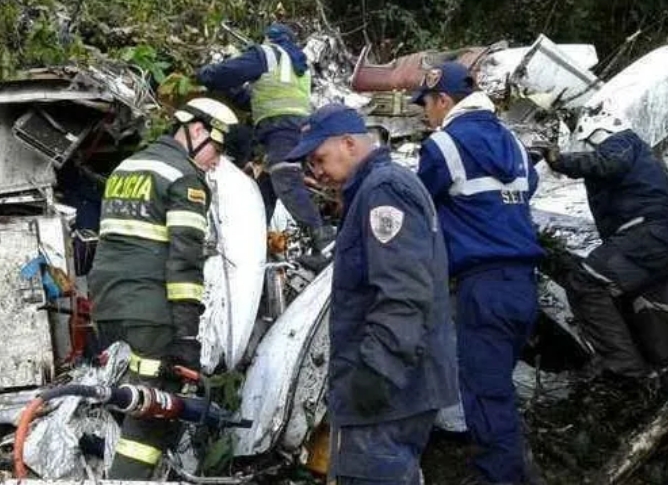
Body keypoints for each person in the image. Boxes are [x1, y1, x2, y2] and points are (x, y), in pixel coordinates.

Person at [285, 104, 458, 484]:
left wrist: (374, 375)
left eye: (319, 158)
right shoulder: (373, 188)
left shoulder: (384, 190)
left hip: (389, 393)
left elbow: (404, 293)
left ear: (349, 143)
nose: (316, 171)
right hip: (396, 388)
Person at [88, 97, 237, 479]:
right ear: (197, 131)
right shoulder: (186, 179)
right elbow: (184, 265)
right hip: (151, 314)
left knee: (123, 399)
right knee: (154, 413)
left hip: (107, 308)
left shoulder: (127, 167)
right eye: (216, 150)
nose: (215, 161)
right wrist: (187, 337)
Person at [413, 62, 545, 484]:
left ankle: (500, 477)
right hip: (523, 285)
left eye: (427, 105)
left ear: (444, 100)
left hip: (483, 287)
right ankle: (514, 467)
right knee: (497, 390)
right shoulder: (514, 144)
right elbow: (526, 190)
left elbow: (418, 205)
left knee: (486, 396)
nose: (425, 114)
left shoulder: (443, 145)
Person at [531, 109, 668, 382]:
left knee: (585, 282)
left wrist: (560, 161)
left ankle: (625, 369)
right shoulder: (638, 155)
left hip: (647, 235)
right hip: (651, 238)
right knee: (640, 295)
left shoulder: (622, 142)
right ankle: (659, 362)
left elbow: (606, 163)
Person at [196, 23, 334, 256]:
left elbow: (226, 73)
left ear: (269, 39)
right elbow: (261, 99)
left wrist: (204, 75)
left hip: (280, 130)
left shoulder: (267, 53)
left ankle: (324, 242)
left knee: (286, 182)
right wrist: (234, 93)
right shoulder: (297, 63)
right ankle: (253, 248)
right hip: (295, 130)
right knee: (264, 193)